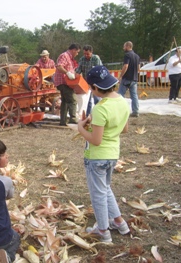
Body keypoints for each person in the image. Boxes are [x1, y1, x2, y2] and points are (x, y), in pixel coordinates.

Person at [77, 66, 130, 243]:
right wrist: (97, 123)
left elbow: (96, 140)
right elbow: (125, 128)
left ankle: (102, 231)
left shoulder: (100, 108)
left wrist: (80, 127)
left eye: (91, 88)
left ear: (95, 88)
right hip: (113, 154)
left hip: (97, 157)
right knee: (105, 189)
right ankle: (120, 223)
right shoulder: (122, 101)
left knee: (98, 194)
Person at [54, 43, 81, 126]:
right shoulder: (65, 55)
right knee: (72, 100)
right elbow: (59, 66)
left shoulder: (69, 57)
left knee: (65, 102)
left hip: (65, 82)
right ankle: (73, 119)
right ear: (74, 50)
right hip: (64, 82)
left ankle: (63, 120)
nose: (77, 54)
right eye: (77, 52)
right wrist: (68, 73)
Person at [76, 45, 103, 117]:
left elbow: (99, 70)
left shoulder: (96, 59)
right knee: (87, 100)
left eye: (87, 54)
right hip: (86, 82)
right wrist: (75, 75)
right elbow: (78, 70)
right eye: (84, 54)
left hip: (95, 82)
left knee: (97, 99)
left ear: (91, 52)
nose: (86, 55)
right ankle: (87, 115)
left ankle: (99, 114)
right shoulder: (82, 59)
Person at [118, 41, 140, 117]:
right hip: (134, 79)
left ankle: (121, 110)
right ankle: (136, 111)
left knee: (120, 95)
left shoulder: (127, 55)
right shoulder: (137, 56)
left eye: (124, 46)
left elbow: (125, 66)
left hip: (126, 78)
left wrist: (120, 76)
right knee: (134, 96)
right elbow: (138, 68)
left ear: (127, 46)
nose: (123, 48)